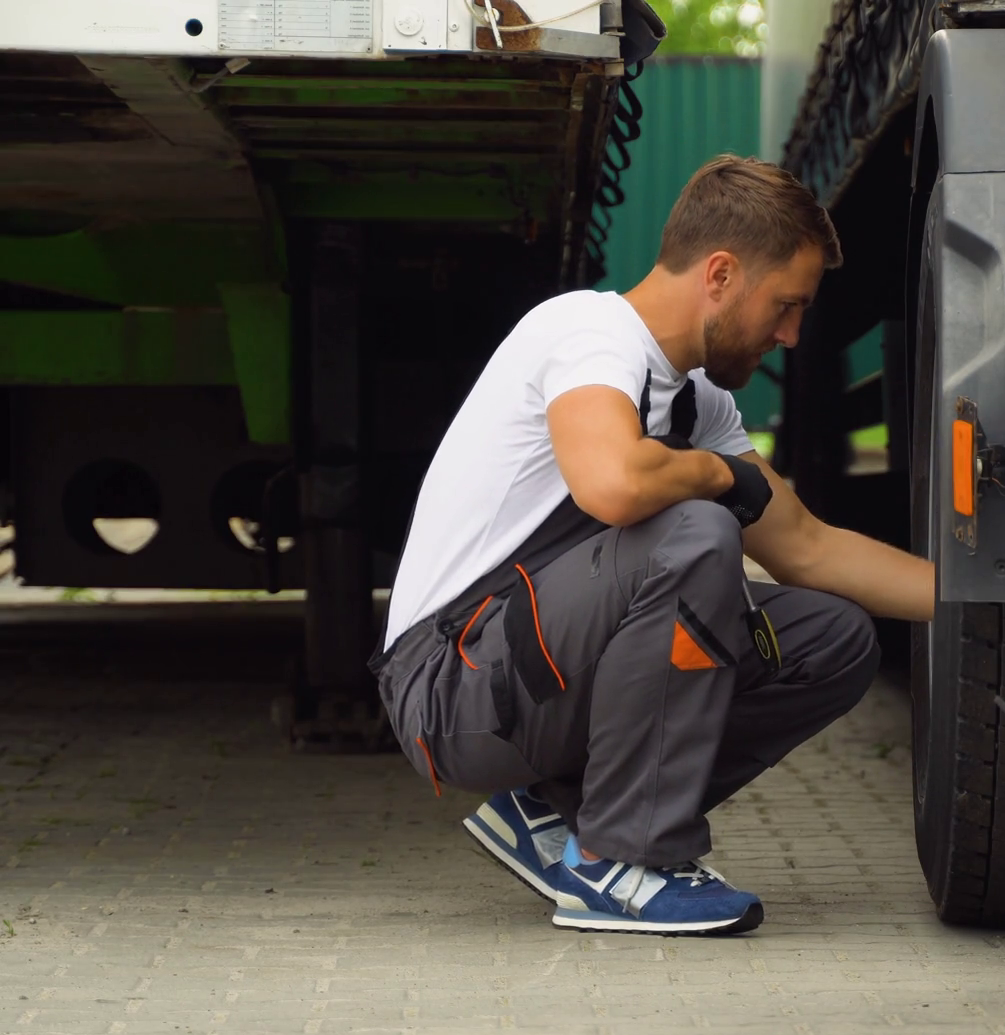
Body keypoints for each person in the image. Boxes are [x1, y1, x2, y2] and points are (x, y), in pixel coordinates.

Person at [370, 155, 935, 936]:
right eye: (787, 305)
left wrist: (993, 598)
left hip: (528, 670)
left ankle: (556, 812)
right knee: (694, 533)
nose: (792, 335)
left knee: (830, 639)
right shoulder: (588, 334)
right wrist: (717, 475)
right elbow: (613, 485)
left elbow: (808, 549)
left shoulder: (699, 401)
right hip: (450, 686)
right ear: (721, 274)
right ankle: (620, 858)